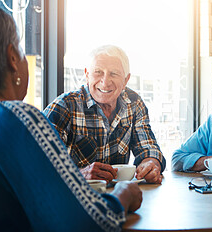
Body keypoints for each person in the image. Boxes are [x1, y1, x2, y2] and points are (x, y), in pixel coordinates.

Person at [0, 2, 142, 232]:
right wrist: (123, 194)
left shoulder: (133, 103)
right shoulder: (18, 120)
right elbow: (84, 226)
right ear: (12, 58)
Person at [43, 45, 166, 184]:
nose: (105, 81)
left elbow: (148, 148)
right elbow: (37, 162)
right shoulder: (64, 106)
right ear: (87, 75)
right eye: (98, 72)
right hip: (72, 198)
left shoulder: (134, 102)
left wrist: (151, 163)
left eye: (114, 73)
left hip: (120, 197)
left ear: (126, 80)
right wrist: (78, 175)